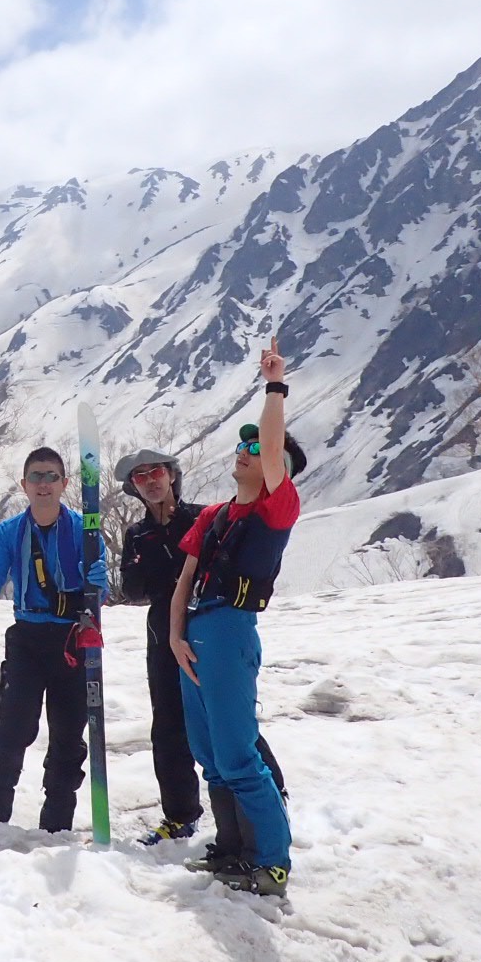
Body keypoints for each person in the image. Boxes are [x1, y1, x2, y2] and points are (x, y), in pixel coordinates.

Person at [169, 340, 305, 897]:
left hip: (230, 629)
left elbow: (273, 452)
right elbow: (185, 579)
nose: (247, 450)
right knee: (210, 754)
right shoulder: (215, 515)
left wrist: (274, 388)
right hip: (198, 631)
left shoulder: (277, 506)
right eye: (242, 443)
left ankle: (270, 861)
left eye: (257, 447)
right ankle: (232, 849)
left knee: (236, 751)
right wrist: (175, 637)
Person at [116, 446, 285, 846]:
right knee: (169, 725)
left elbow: (216, 570)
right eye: (140, 478)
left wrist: (161, 574)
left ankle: (270, 794)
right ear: (134, 488)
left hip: (209, 627)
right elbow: (131, 588)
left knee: (227, 717)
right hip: (162, 633)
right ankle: (180, 814)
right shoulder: (137, 534)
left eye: (155, 472)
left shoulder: (206, 517)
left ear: (172, 475)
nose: (150, 481)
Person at [0, 446, 110, 832]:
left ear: (64, 483)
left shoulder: (83, 530)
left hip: (71, 640)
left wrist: (96, 583)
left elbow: (100, 593)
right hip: (26, 637)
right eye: (36, 477)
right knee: (12, 727)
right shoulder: (11, 531)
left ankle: (57, 821)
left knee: (68, 733)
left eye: (51, 477)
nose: (44, 485)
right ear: (24, 485)